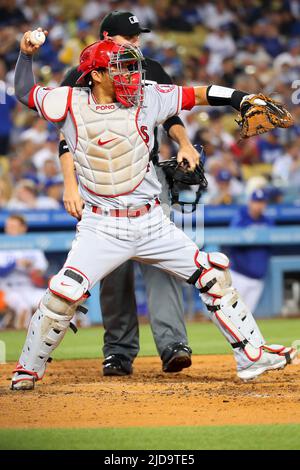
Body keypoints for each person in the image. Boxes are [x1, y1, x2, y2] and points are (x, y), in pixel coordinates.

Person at [11, 31, 296, 391]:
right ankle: (27, 370)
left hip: (151, 222)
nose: (131, 75)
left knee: (212, 276)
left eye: (131, 67)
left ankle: (251, 355)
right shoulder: (69, 101)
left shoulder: (148, 96)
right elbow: (25, 93)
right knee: (63, 294)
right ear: (96, 75)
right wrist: (25, 55)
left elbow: (200, 93)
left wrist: (242, 98)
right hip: (101, 225)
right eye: (121, 69)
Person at [59, 11, 199, 375]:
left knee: (165, 264)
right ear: (107, 36)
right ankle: (119, 352)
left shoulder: (150, 68)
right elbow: (65, 138)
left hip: (147, 177)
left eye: (138, 36)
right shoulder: (81, 74)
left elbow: (172, 116)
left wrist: (184, 144)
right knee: (114, 269)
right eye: (128, 37)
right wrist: (70, 184)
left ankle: (173, 345)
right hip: (101, 183)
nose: (136, 42)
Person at [0, 214, 48, 329]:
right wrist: (15, 264)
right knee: (23, 308)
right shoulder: (2, 243)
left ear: (23, 228)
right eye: (8, 226)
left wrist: (31, 268)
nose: (9, 229)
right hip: (7, 289)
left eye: (13, 226)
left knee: (50, 302)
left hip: (28, 287)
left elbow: (41, 272)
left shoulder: (32, 246)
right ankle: (20, 338)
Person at [229, 189, 273, 312]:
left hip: (258, 279)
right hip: (239, 276)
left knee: (247, 318)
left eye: (262, 202)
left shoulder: (268, 221)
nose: (259, 205)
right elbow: (232, 238)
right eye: (256, 202)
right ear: (250, 202)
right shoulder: (241, 218)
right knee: (232, 315)